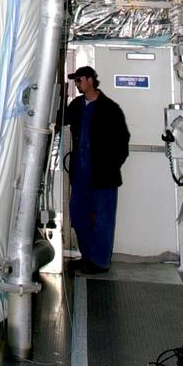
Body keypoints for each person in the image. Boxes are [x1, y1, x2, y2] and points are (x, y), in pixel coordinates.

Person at [62, 65, 130, 274]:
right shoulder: (76, 106)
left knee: (103, 219)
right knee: (78, 215)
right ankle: (88, 256)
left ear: (90, 80)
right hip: (80, 175)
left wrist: (110, 165)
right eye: (75, 81)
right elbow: (59, 119)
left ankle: (100, 262)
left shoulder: (109, 108)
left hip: (103, 177)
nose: (77, 84)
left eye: (79, 80)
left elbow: (122, 141)